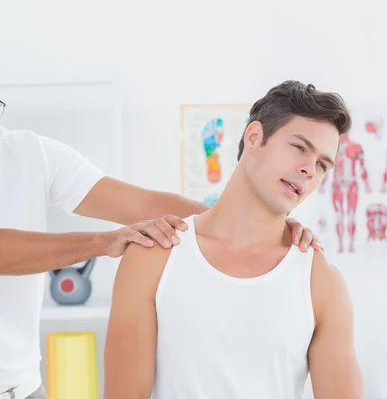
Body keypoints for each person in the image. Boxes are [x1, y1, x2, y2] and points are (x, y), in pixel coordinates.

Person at [0, 36, 321, 399]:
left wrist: (264, 226)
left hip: (24, 388)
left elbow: (140, 203)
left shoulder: (30, 153)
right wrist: (103, 243)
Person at [104, 81, 364, 399]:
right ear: (254, 137)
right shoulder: (153, 257)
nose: (309, 169)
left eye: (322, 164)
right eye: (299, 147)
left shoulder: (320, 282)